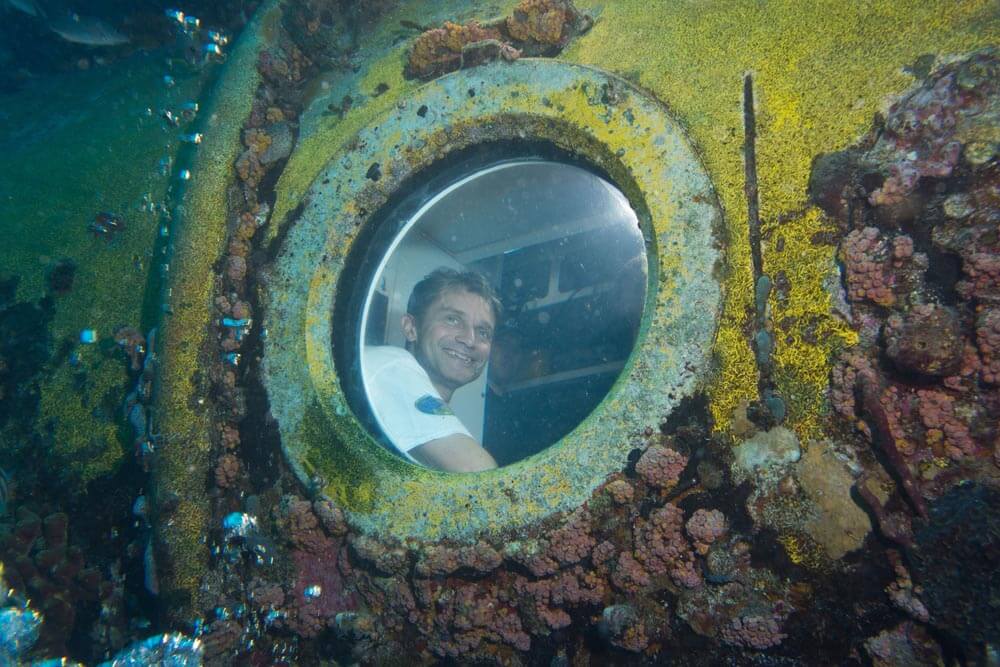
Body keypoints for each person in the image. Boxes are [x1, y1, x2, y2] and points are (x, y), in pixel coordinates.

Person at [363, 268, 500, 472]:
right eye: (452, 319)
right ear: (411, 328)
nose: (470, 340)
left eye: (483, 332)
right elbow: (481, 477)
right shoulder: (391, 366)